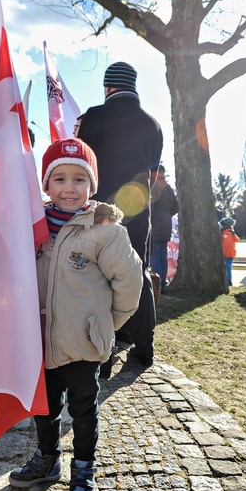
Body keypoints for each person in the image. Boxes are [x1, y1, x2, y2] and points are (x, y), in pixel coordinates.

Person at [9, 138, 142, 491]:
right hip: (37, 340)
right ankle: (47, 458)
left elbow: (129, 283)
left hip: (82, 342)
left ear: (92, 185)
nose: (70, 188)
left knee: (83, 409)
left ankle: (83, 468)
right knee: (43, 407)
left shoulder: (105, 229)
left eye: (79, 179)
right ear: (46, 186)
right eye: (60, 179)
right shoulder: (32, 226)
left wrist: (105, 324)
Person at [77, 61, 163, 366]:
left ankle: (103, 352)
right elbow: (153, 176)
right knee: (136, 272)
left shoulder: (94, 116)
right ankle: (144, 346)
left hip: (100, 208)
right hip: (139, 210)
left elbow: (83, 167)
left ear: (108, 86)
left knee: (99, 274)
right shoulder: (153, 124)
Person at [149, 164, 178, 293]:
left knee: (155, 254)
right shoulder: (169, 188)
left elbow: (151, 206)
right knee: (162, 255)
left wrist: (150, 219)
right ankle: (163, 284)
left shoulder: (154, 186)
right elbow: (176, 207)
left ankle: (157, 284)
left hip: (156, 223)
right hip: (167, 224)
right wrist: (167, 215)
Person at [219, 217, 240, 287]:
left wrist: (225, 254)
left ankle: (229, 281)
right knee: (227, 268)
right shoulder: (227, 232)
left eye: (222, 225)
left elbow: (227, 245)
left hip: (228, 254)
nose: (220, 226)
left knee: (227, 268)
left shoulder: (227, 233)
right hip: (229, 254)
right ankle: (227, 280)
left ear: (225, 225)